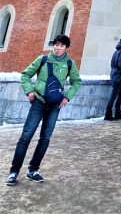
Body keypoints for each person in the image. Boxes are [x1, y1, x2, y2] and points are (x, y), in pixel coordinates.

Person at [5, 34, 81, 186]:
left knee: (45, 139)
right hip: (38, 103)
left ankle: (33, 170)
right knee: (26, 137)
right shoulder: (43, 60)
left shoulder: (70, 64)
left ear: (66, 47)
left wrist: (67, 97)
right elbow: (25, 75)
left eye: (61, 45)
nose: (58, 48)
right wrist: (29, 91)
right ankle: (13, 172)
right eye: (56, 45)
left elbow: (76, 82)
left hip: (54, 106)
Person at [104, 36, 121, 121]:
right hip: (119, 77)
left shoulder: (117, 51)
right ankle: (108, 114)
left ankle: (117, 113)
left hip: (115, 76)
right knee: (113, 96)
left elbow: (112, 64)